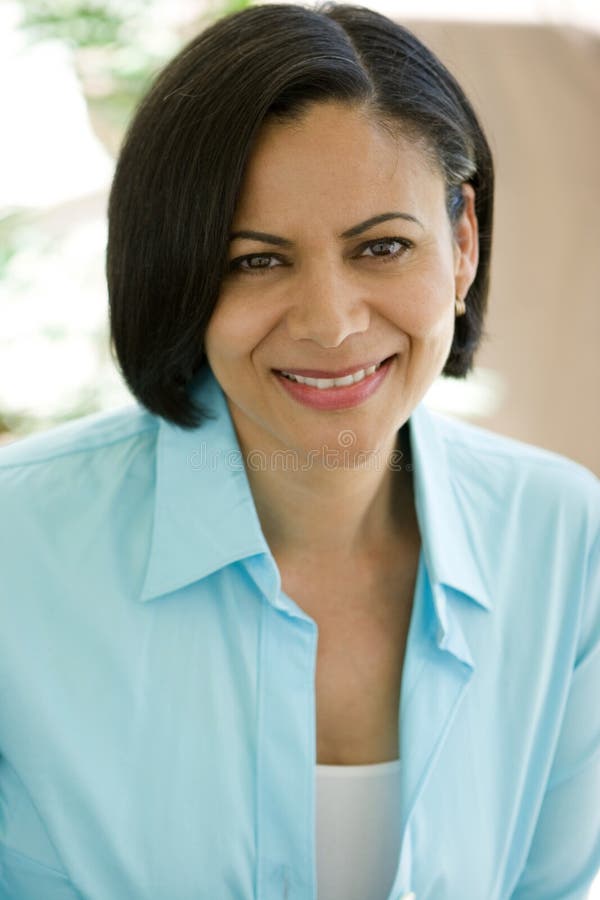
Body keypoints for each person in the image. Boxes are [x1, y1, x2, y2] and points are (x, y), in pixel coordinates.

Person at [0, 2, 598, 898]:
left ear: (463, 241)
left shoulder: (562, 537)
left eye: (384, 247)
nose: (331, 323)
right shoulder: (18, 548)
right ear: (180, 269)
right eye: (256, 260)